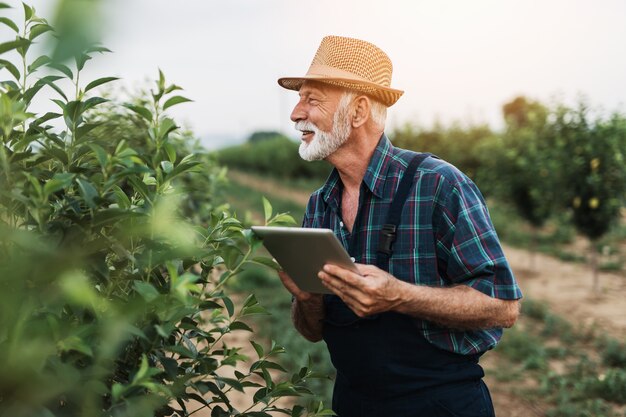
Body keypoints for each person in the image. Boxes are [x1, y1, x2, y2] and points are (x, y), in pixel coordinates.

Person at [276, 35, 522, 417]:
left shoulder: (438, 185)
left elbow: (503, 306)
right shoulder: (318, 206)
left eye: (311, 99)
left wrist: (401, 296)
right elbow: (312, 331)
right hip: (354, 404)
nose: (295, 113)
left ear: (357, 112)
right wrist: (306, 299)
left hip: (439, 405)